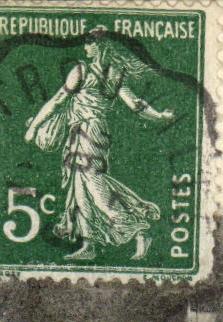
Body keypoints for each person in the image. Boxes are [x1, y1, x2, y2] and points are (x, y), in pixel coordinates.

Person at [24, 29, 177, 262]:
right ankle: (89, 244)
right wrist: (159, 116)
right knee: (81, 186)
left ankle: (137, 227)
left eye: (89, 45)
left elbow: (57, 101)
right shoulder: (115, 74)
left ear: (101, 47)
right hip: (93, 132)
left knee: (93, 185)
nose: (85, 49)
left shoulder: (81, 71)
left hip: (87, 132)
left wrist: (34, 126)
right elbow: (136, 105)